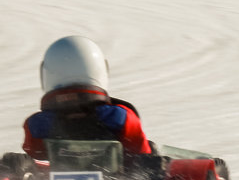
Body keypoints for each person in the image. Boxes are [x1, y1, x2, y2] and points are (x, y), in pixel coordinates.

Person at [22, 36, 152, 160]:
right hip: (116, 179)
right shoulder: (121, 117)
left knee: (16, 164)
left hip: (56, 179)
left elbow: (34, 154)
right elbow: (142, 152)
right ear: (99, 70)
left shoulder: (38, 124)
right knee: (152, 155)